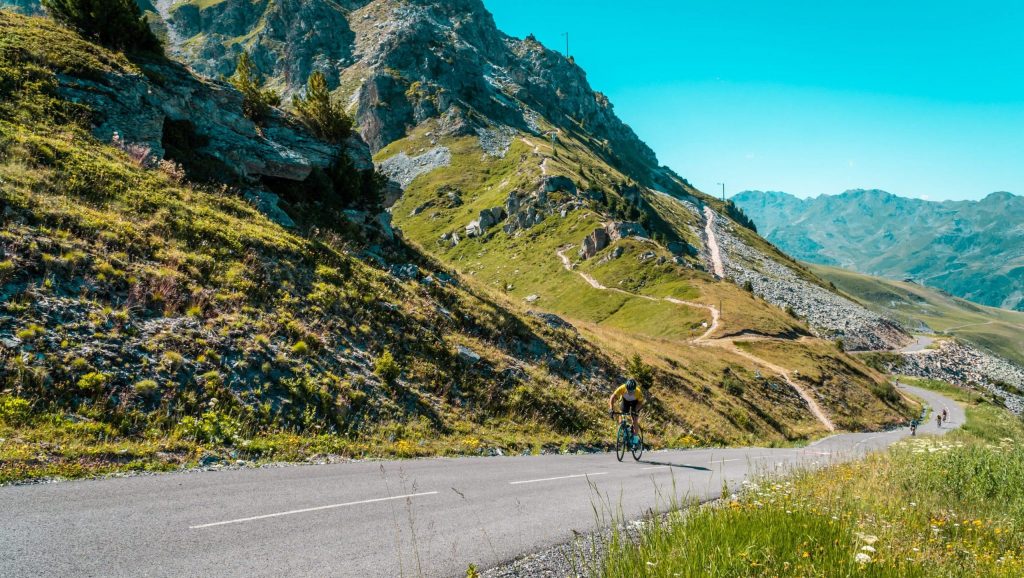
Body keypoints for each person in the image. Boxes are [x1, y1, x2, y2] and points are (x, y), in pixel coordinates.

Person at [609, 378, 644, 445]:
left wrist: (635, 411)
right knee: (621, 415)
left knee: (634, 419)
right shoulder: (622, 388)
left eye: (632, 391)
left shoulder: (638, 392)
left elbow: (640, 403)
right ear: (626, 387)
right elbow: (612, 397)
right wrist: (611, 408)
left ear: (635, 389)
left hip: (635, 403)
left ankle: (635, 440)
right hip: (625, 402)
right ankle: (624, 430)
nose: (630, 393)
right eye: (628, 391)